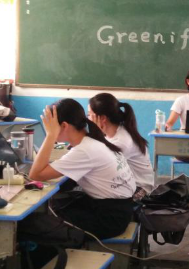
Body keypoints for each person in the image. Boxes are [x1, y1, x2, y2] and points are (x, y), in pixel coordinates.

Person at [26, 99, 137, 244]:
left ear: (64, 126)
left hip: (110, 219)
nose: (48, 129)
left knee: (35, 224)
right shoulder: (91, 141)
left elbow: (35, 175)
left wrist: (50, 136)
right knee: (56, 205)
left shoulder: (84, 150)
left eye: (50, 126)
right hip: (119, 208)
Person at [88, 92, 154, 197]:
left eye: (90, 115)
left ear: (103, 118)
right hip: (127, 184)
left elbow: (100, 167)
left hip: (140, 189)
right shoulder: (115, 132)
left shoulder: (121, 141)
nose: (88, 119)